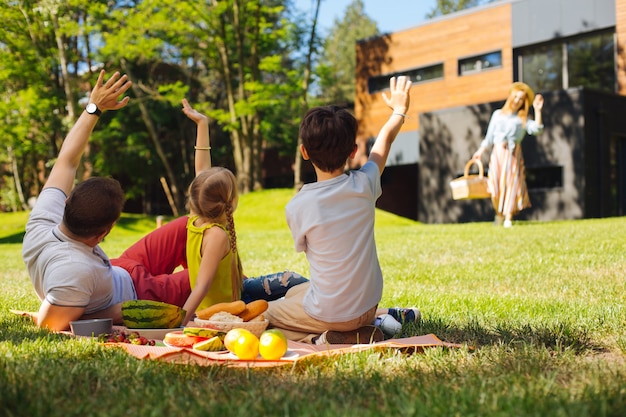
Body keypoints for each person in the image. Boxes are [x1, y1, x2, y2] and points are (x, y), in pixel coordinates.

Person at [23, 70, 305, 331]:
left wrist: (92, 108)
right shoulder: (72, 273)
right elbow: (48, 324)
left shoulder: (42, 222)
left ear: (66, 203)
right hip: (137, 293)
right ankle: (250, 287)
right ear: (102, 235)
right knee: (210, 274)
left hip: (120, 267)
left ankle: (236, 279)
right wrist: (122, 311)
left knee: (191, 224)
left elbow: (66, 162)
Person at [264, 76, 419, 344]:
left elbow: (306, 249)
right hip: (367, 306)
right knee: (293, 294)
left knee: (262, 317)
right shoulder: (365, 183)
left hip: (330, 313)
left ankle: (321, 339)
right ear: (353, 151)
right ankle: (365, 327)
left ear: (304, 152)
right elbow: (383, 146)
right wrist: (398, 111)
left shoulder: (298, 206)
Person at [472, 82, 544, 227]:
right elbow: (489, 137)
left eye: (521, 99)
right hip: (498, 154)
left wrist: (538, 111)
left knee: (511, 184)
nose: (518, 100)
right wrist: (479, 152)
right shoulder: (497, 115)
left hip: (513, 155)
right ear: (511, 96)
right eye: (516, 97)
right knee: (494, 187)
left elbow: (537, 129)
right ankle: (499, 214)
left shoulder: (523, 119)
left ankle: (508, 218)